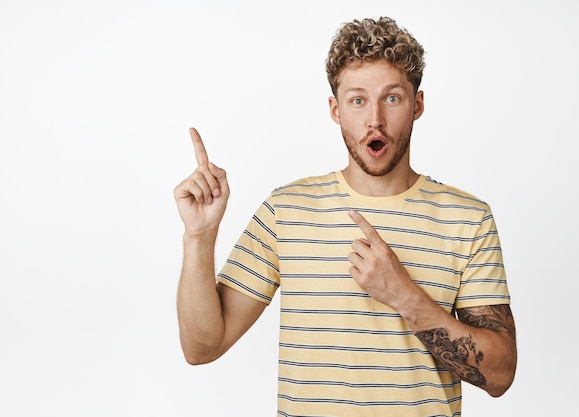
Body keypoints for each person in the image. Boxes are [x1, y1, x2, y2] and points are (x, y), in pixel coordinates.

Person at [174, 16, 517, 417]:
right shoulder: (286, 211)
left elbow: (500, 374)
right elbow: (202, 348)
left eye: (392, 98)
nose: (375, 119)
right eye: (358, 100)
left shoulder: (467, 219)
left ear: (417, 105)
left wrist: (403, 295)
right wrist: (200, 236)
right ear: (336, 109)